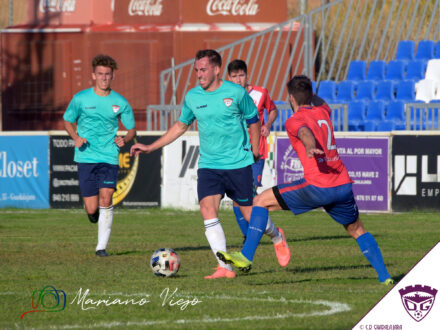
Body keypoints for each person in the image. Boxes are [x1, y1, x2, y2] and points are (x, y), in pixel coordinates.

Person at [217, 75, 394, 285]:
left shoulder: (294, 120)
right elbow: (319, 104)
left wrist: (310, 145)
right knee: (357, 230)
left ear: (291, 98)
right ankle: (385, 277)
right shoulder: (323, 111)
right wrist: (307, 93)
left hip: (318, 186)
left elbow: (304, 131)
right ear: (310, 95)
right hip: (342, 185)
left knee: (260, 201)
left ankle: (246, 256)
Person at [130, 49, 290, 279]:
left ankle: (276, 236)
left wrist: (255, 148)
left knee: (249, 215)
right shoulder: (193, 97)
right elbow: (180, 126)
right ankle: (224, 267)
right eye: (196, 70)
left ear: (216, 70)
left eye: (203, 69)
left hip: (238, 164)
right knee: (207, 210)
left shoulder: (235, 93)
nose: (199, 74)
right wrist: (149, 147)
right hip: (209, 165)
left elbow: (254, 120)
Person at [64, 54, 136, 257]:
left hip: (109, 157)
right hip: (85, 157)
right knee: (92, 207)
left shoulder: (120, 102)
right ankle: (92, 214)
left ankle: (101, 247)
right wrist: (75, 136)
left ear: (113, 75)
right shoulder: (80, 98)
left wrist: (125, 138)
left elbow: (131, 129)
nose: (104, 78)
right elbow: (68, 121)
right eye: (100, 74)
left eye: (107, 74)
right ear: (93, 75)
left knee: (106, 199)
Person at [227, 60, 288, 263]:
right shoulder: (225, 96)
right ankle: (254, 235)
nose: (238, 79)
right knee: (238, 199)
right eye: (234, 76)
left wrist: (268, 124)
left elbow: (273, 110)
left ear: (247, 75)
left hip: (255, 153)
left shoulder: (260, 93)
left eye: (241, 75)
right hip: (234, 154)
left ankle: (262, 239)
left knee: (250, 196)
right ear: (229, 78)